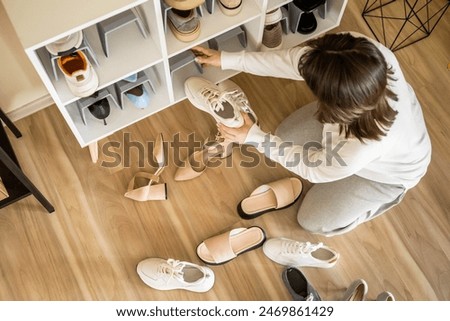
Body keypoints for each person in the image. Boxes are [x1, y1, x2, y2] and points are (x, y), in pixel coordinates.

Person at [192, 31, 432, 236]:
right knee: (284, 135)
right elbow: (294, 61)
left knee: (311, 220)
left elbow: (313, 169)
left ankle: (368, 202)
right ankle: (333, 165)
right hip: (354, 126)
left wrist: (253, 137)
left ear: (335, 103)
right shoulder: (361, 52)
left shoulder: (359, 148)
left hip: (387, 176)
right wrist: (228, 59)